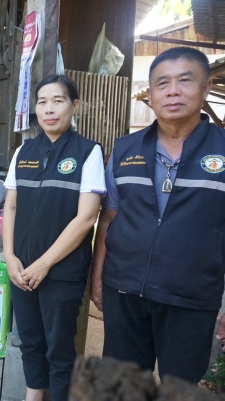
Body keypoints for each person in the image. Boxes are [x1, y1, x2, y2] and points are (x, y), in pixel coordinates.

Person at [91, 47, 225, 384]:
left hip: (191, 295)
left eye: (185, 81)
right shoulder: (124, 150)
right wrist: (98, 276)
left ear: (205, 88)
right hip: (124, 290)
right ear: (150, 95)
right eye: (162, 84)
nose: (173, 91)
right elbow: (108, 217)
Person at [3, 75, 106, 401]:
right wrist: (10, 256)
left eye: (58, 101)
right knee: (30, 342)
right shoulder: (23, 152)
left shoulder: (88, 152)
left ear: (74, 106)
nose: (49, 109)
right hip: (22, 270)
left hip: (61, 272)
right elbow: (10, 206)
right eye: (42, 102)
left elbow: (86, 217)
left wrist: (45, 263)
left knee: (60, 349)